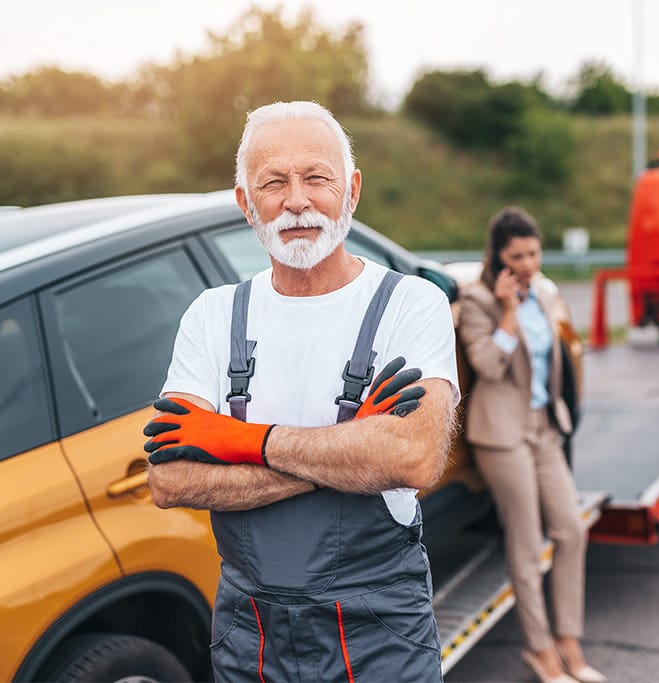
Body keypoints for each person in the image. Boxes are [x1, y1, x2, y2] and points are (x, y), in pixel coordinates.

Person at [145, 100, 459, 683]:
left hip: (379, 629)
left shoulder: (411, 304)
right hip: (249, 631)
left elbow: (412, 457)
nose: (296, 200)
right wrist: (350, 448)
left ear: (352, 192)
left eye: (317, 178)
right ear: (246, 203)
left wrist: (239, 440)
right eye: (273, 183)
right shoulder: (213, 316)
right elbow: (169, 479)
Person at [457, 207, 604, 683]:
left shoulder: (544, 290)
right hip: (501, 434)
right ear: (497, 256)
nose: (527, 262)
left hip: (543, 427)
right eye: (516, 255)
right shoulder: (478, 299)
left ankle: (569, 643)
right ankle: (539, 651)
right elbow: (489, 365)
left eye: (533, 252)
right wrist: (508, 312)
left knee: (571, 531)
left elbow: (558, 356)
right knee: (525, 543)